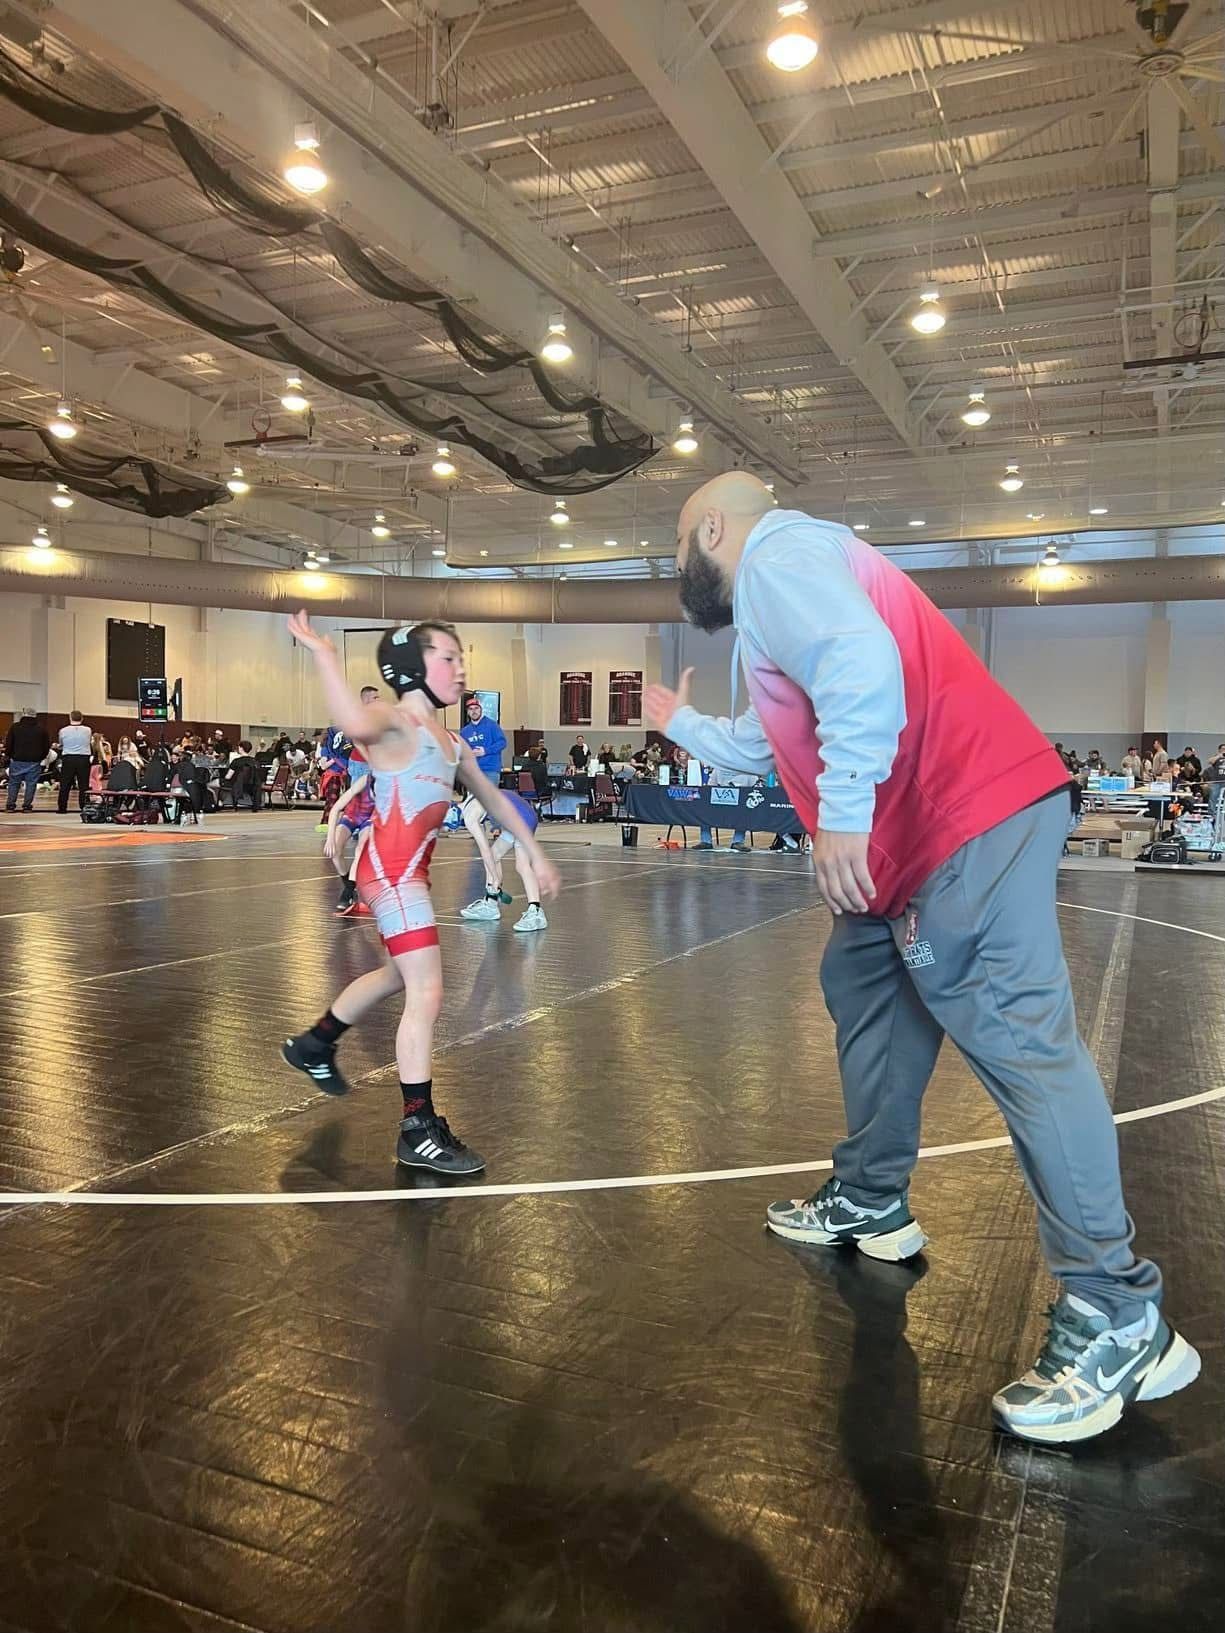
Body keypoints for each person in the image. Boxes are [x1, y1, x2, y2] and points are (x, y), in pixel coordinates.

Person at [643, 471, 1198, 1446]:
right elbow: (766, 744)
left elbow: (859, 661)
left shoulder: (776, 557)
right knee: (860, 973)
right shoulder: (789, 591)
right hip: (920, 841)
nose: (675, 564)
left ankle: (1118, 1314)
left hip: (961, 819)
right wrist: (676, 722)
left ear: (714, 529)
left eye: (678, 543)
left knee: (1024, 1046)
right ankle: (870, 1193)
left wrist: (843, 814)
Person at [281, 613, 559, 1174]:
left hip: (407, 875)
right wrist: (325, 656)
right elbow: (351, 720)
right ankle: (417, 1128)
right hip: (390, 875)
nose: (461, 670)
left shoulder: (450, 742)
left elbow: (494, 799)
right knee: (427, 990)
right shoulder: (396, 722)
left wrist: (534, 848)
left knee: (399, 975)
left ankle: (316, 1042)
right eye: (448, 658)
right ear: (411, 667)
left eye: (461, 659)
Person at [459, 787, 550, 932]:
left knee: (522, 865)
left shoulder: (470, 816)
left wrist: (495, 878)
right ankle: (491, 902)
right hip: (516, 816)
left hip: (522, 819)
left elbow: (484, 851)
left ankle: (536, 912)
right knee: (495, 854)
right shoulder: (471, 800)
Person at [4, 708, 50, 813]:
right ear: (35, 715)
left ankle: (10, 805)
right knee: (31, 784)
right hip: (34, 761)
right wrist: (40, 757)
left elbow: (9, 744)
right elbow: (46, 747)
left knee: (13, 784)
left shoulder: (15, 727)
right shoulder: (41, 729)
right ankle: (27, 806)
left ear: (24, 714)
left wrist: (9, 755)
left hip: (17, 760)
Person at [460, 696, 508, 785]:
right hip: (473, 771)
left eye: (476, 708)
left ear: (481, 710)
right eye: (470, 709)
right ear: (467, 712)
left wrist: (485, 751)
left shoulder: (492, 725)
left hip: (490, 770)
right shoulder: (464, 731)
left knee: (489, 794)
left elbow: (502, 743)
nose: (474, 711)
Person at [55, 710, 92, 813]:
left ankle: (62, 807)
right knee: (83, 785)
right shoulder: (88, 730)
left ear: (70, 718)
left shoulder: (63, 730)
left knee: (65, 784)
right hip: (83, 758)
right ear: (82, 718)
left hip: (68, 758)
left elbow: (61, 744)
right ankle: (84, 806)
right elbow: (88, 742)